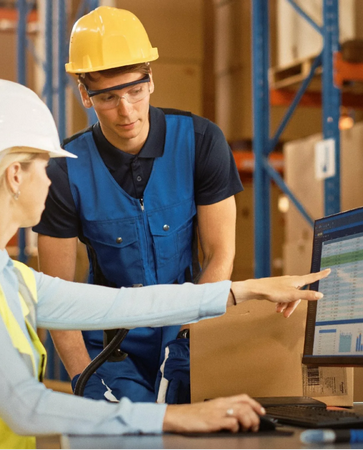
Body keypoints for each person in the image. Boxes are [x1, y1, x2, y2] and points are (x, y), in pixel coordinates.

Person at [0, 78, 328, 449]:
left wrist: (242, 290)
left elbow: (116, 307)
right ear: (14, 176)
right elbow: (26, 407)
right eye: (46, 166)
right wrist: (177, 416)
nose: (53, 180)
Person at [33, 6, 243, 404]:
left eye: (134, 91)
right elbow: (55, 294)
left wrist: (189, 334)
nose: (126, 110)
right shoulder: (64, 172)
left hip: (186, 333)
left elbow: (220, 254)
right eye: (109, 97)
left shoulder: (201, 141)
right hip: (110, 348)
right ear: (84, 95)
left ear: (151, 80)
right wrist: (82, 375)